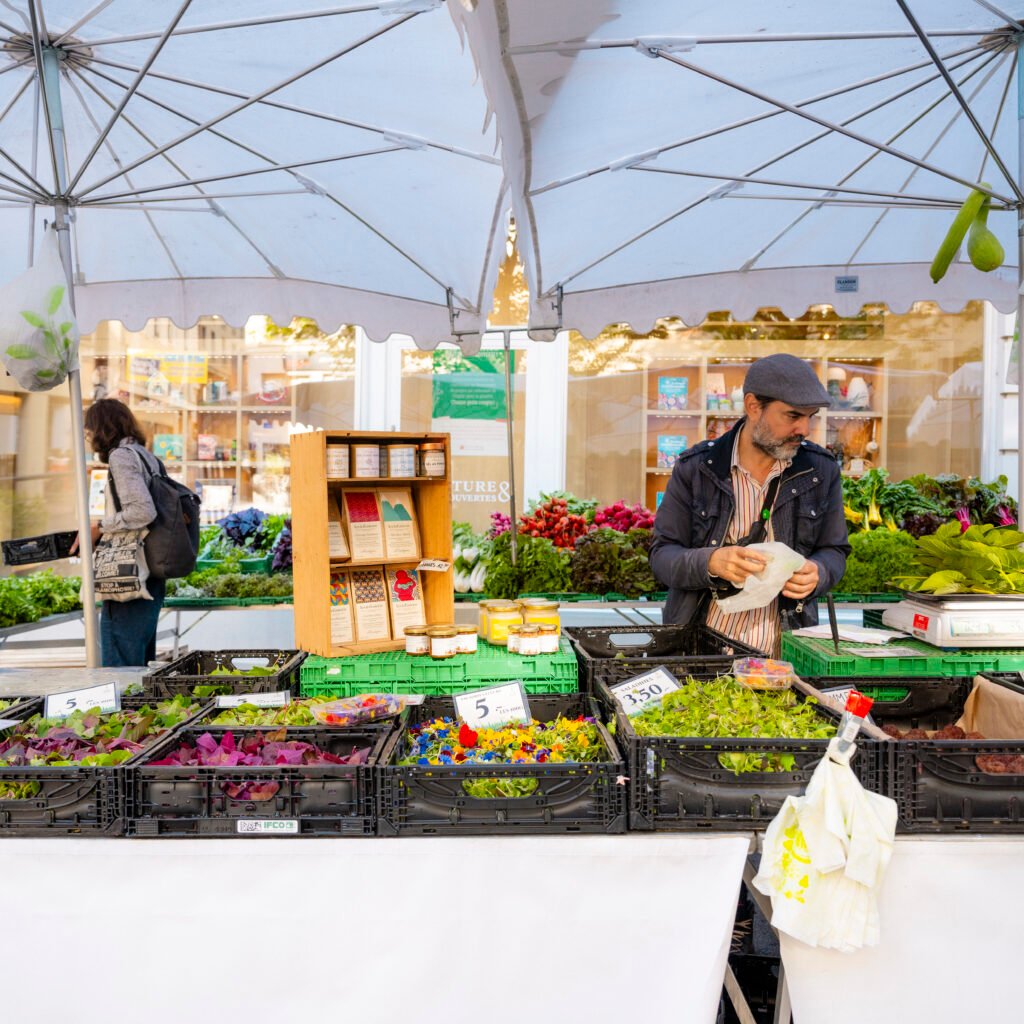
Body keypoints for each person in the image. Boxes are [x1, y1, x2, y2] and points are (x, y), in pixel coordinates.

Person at [650, 353, 850, 655]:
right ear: (753, 406)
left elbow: (835, 550)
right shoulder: (696, 468)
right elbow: (662, 555)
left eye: (811, 417)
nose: (804, 429)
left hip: (785, 657)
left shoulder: (821, 471)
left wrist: (819, 572)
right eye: (793, 416)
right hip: (700, 655)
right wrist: (710, 562)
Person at [77, 399, 166, 666]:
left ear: (103, 427)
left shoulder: (122, 456)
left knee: (120, 667)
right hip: (150, 569)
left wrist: (99, 528)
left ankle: (124, 710)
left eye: (90, 430)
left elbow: (142, 511)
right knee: (138, 664)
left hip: (128, 573)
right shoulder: (146, 455)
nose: (89, 437)